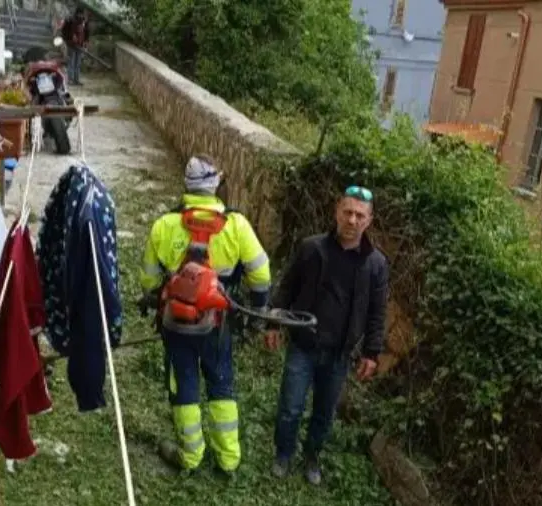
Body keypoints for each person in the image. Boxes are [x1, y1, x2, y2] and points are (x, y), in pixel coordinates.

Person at [140, 154, 272, 476]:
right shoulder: (236, 225)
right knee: (221, 381)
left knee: (183, 384)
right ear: (215, 185)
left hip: (176, 323)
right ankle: (228, 459)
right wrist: (258, 309)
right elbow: (261, 274)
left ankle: (191, 456)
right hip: (217, 323)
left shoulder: (165, 225)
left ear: (187, 185)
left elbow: (149, 279)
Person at [265, 185, 389, 485]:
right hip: (303, 346)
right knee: (290, 407)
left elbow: (377, 313)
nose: (352, 220)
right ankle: (283, 454)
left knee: (324, 413)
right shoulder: (312, 248)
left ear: (369, 221)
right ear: (336, 212)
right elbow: (287, 287)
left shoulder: (375, 265)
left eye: (360, 215)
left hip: (339, 354)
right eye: (347, 212)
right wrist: (272, 322)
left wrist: (372, 353)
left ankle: (312, 457)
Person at [60, 7, 89, 85]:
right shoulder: (70, 20)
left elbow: (86, 32)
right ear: (77, 13)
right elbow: (64, 31)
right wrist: (70, 38)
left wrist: (86, 41)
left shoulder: (84, 22)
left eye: (82, 14)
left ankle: (76, 80)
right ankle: (70, 80)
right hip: (71, 45)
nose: (81, 15)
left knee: (78, 63)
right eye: (80, 14)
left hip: (80, 45)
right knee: (71, 62)